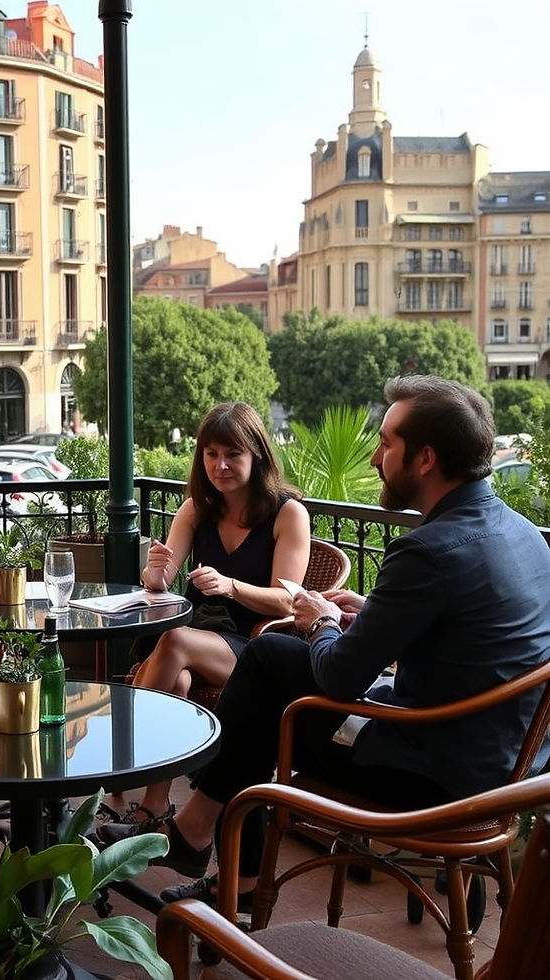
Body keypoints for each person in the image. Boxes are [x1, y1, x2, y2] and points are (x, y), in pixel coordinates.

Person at [100, 376, 550, 911]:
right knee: (265, 672)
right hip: (507, 769)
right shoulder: (522, 531)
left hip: (428, 778)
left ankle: (200, 833)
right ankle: (218, 858)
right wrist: (362, 615)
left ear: (425, 459)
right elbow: (469, 640)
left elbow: (338, 677)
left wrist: (319, 620)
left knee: (264, 681)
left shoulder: (427, 550)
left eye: (386, 444)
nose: (375, 460)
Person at [123, 402, 310, 825]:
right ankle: (156, 804)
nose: (220, 465)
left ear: (257, 454)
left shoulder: (287, 513)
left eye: (233, 454)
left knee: (174, 643)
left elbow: (288, 601)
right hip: (195, 641)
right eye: (211, 454)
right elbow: (161, 580)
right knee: (180, 679)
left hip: (254, 646)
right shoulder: (196, 509)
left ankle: (126, 749)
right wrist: (154, 574)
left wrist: (230, 586)